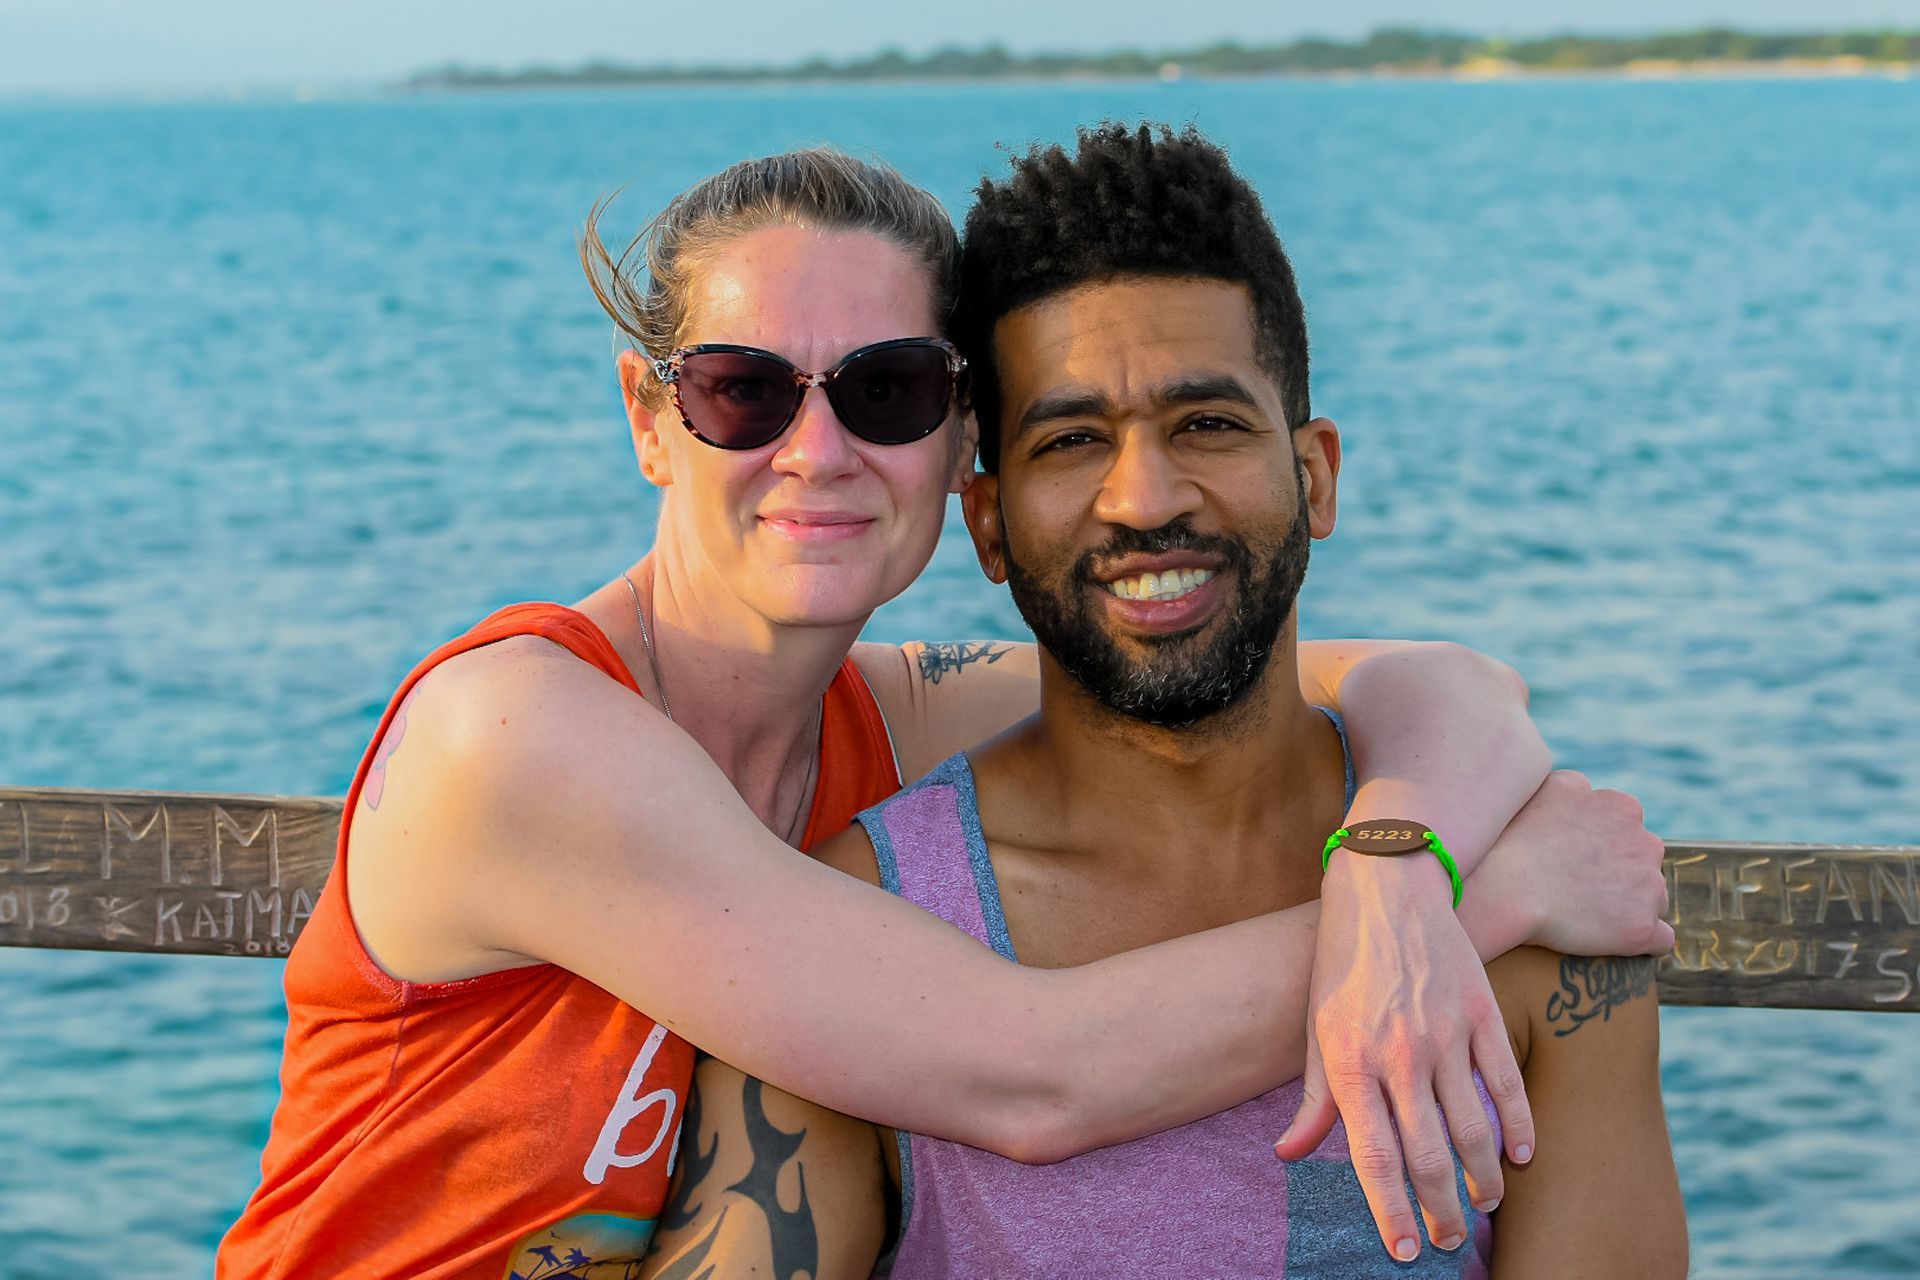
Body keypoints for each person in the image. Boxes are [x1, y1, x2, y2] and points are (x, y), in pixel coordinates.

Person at [217, 148, 1670, 1279]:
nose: (818, 448)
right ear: (651, 419)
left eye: (889, 388)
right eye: (742, 392)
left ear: (956, 441)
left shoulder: (878, 716)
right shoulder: (511, 739)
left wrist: (1402, 860)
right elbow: (1036, 1078)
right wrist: (1481, 906)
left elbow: (1420, 677)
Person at [636, 126, 1685, 1280]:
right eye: (1072, 439)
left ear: (1316, 475)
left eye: (1208, 424)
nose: (1143, 499)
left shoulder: (1535, 904)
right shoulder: (855, 937)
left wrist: (1413, 874)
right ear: (988, 521)